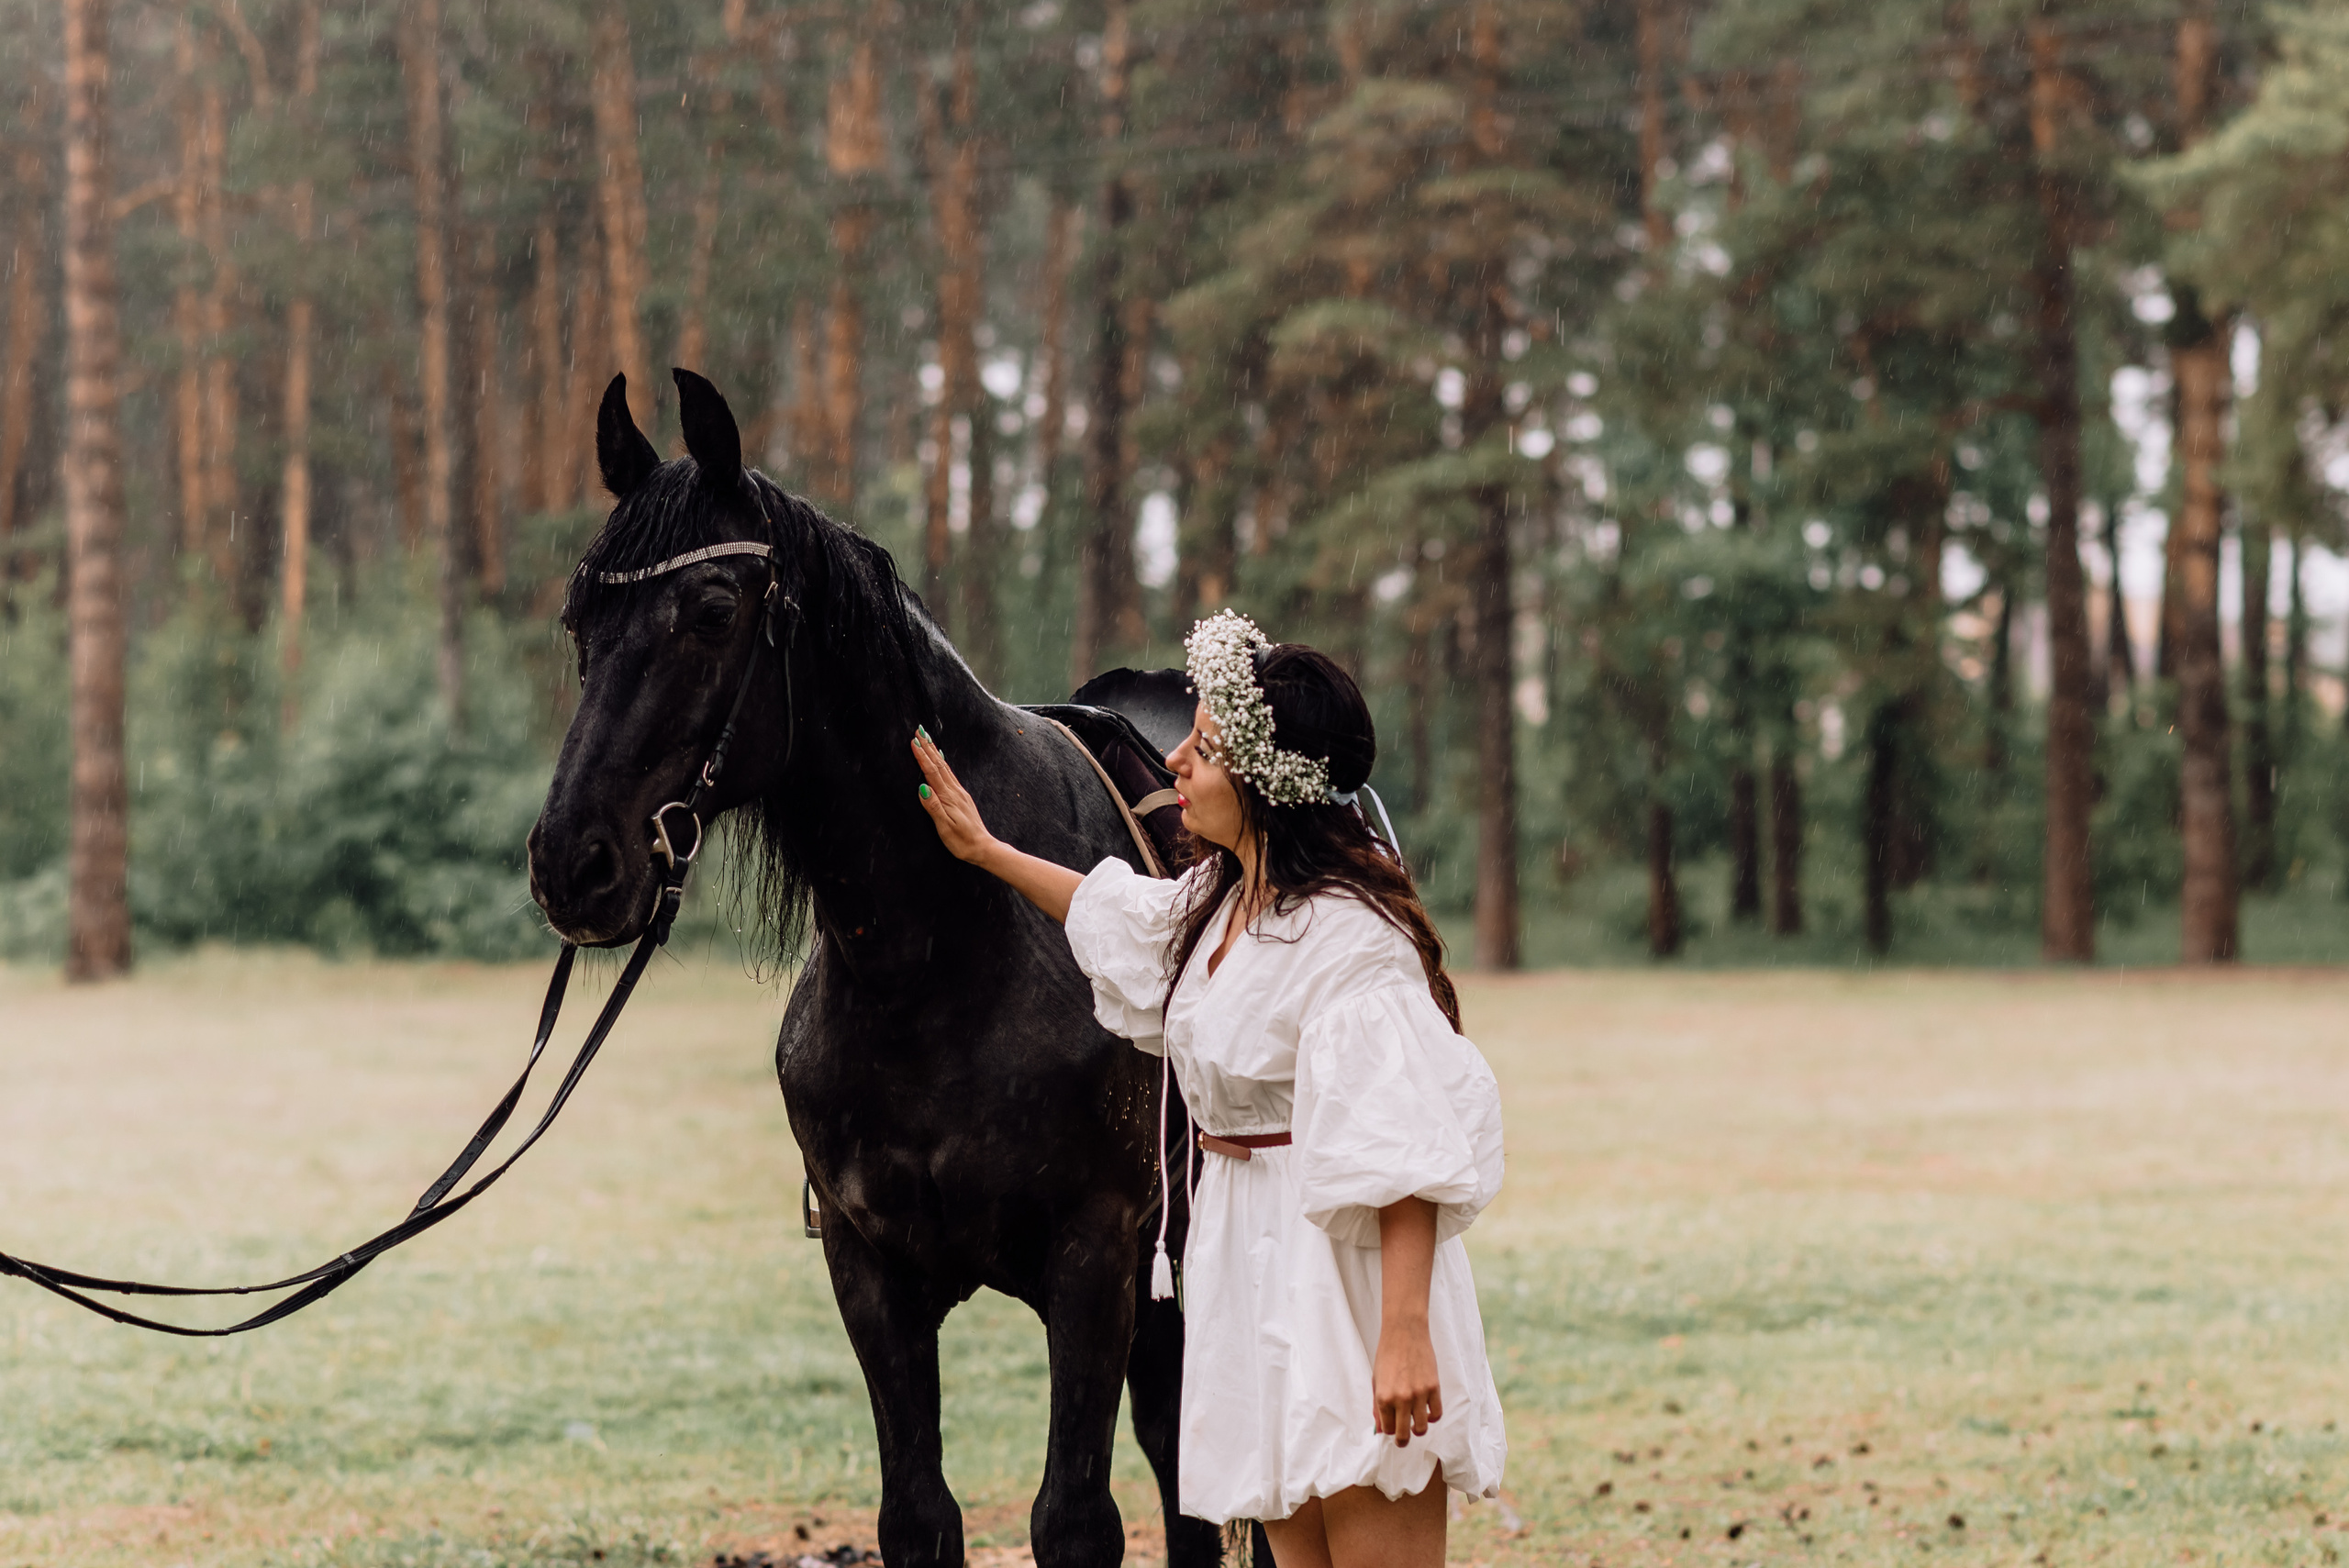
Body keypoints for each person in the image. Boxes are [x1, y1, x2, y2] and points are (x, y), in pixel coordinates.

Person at [911, 609, 1507, 1568]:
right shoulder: (1219, 903)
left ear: (1269, 784)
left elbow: (1402, 1151)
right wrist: (986, 850)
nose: (1175, 760)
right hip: (1239, 1254)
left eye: (1205, 747)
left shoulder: (1353, 942)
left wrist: (1401, 1336)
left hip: (1340, 1269)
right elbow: (1114, 909)